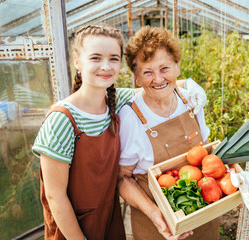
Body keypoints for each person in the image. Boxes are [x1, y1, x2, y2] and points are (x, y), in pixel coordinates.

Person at [32, 25, 206, 240]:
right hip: (72, 227)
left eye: (113, 58)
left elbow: (157, 85)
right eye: (95, 58)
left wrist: (189, 83)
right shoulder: (61, 121)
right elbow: (55, 197)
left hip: (109, 217)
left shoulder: (116, 101)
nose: (105, 66)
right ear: (77, 61)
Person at [117, 26, 220, 240]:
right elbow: (122, 178)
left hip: (202, 217)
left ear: (178, 67)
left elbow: (207, 154)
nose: (158, 79)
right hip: (157, 227)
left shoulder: (191, 101)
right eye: (147, 72)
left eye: (164, 68)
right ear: (136, 78)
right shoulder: (131, 117)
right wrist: (157, 215)